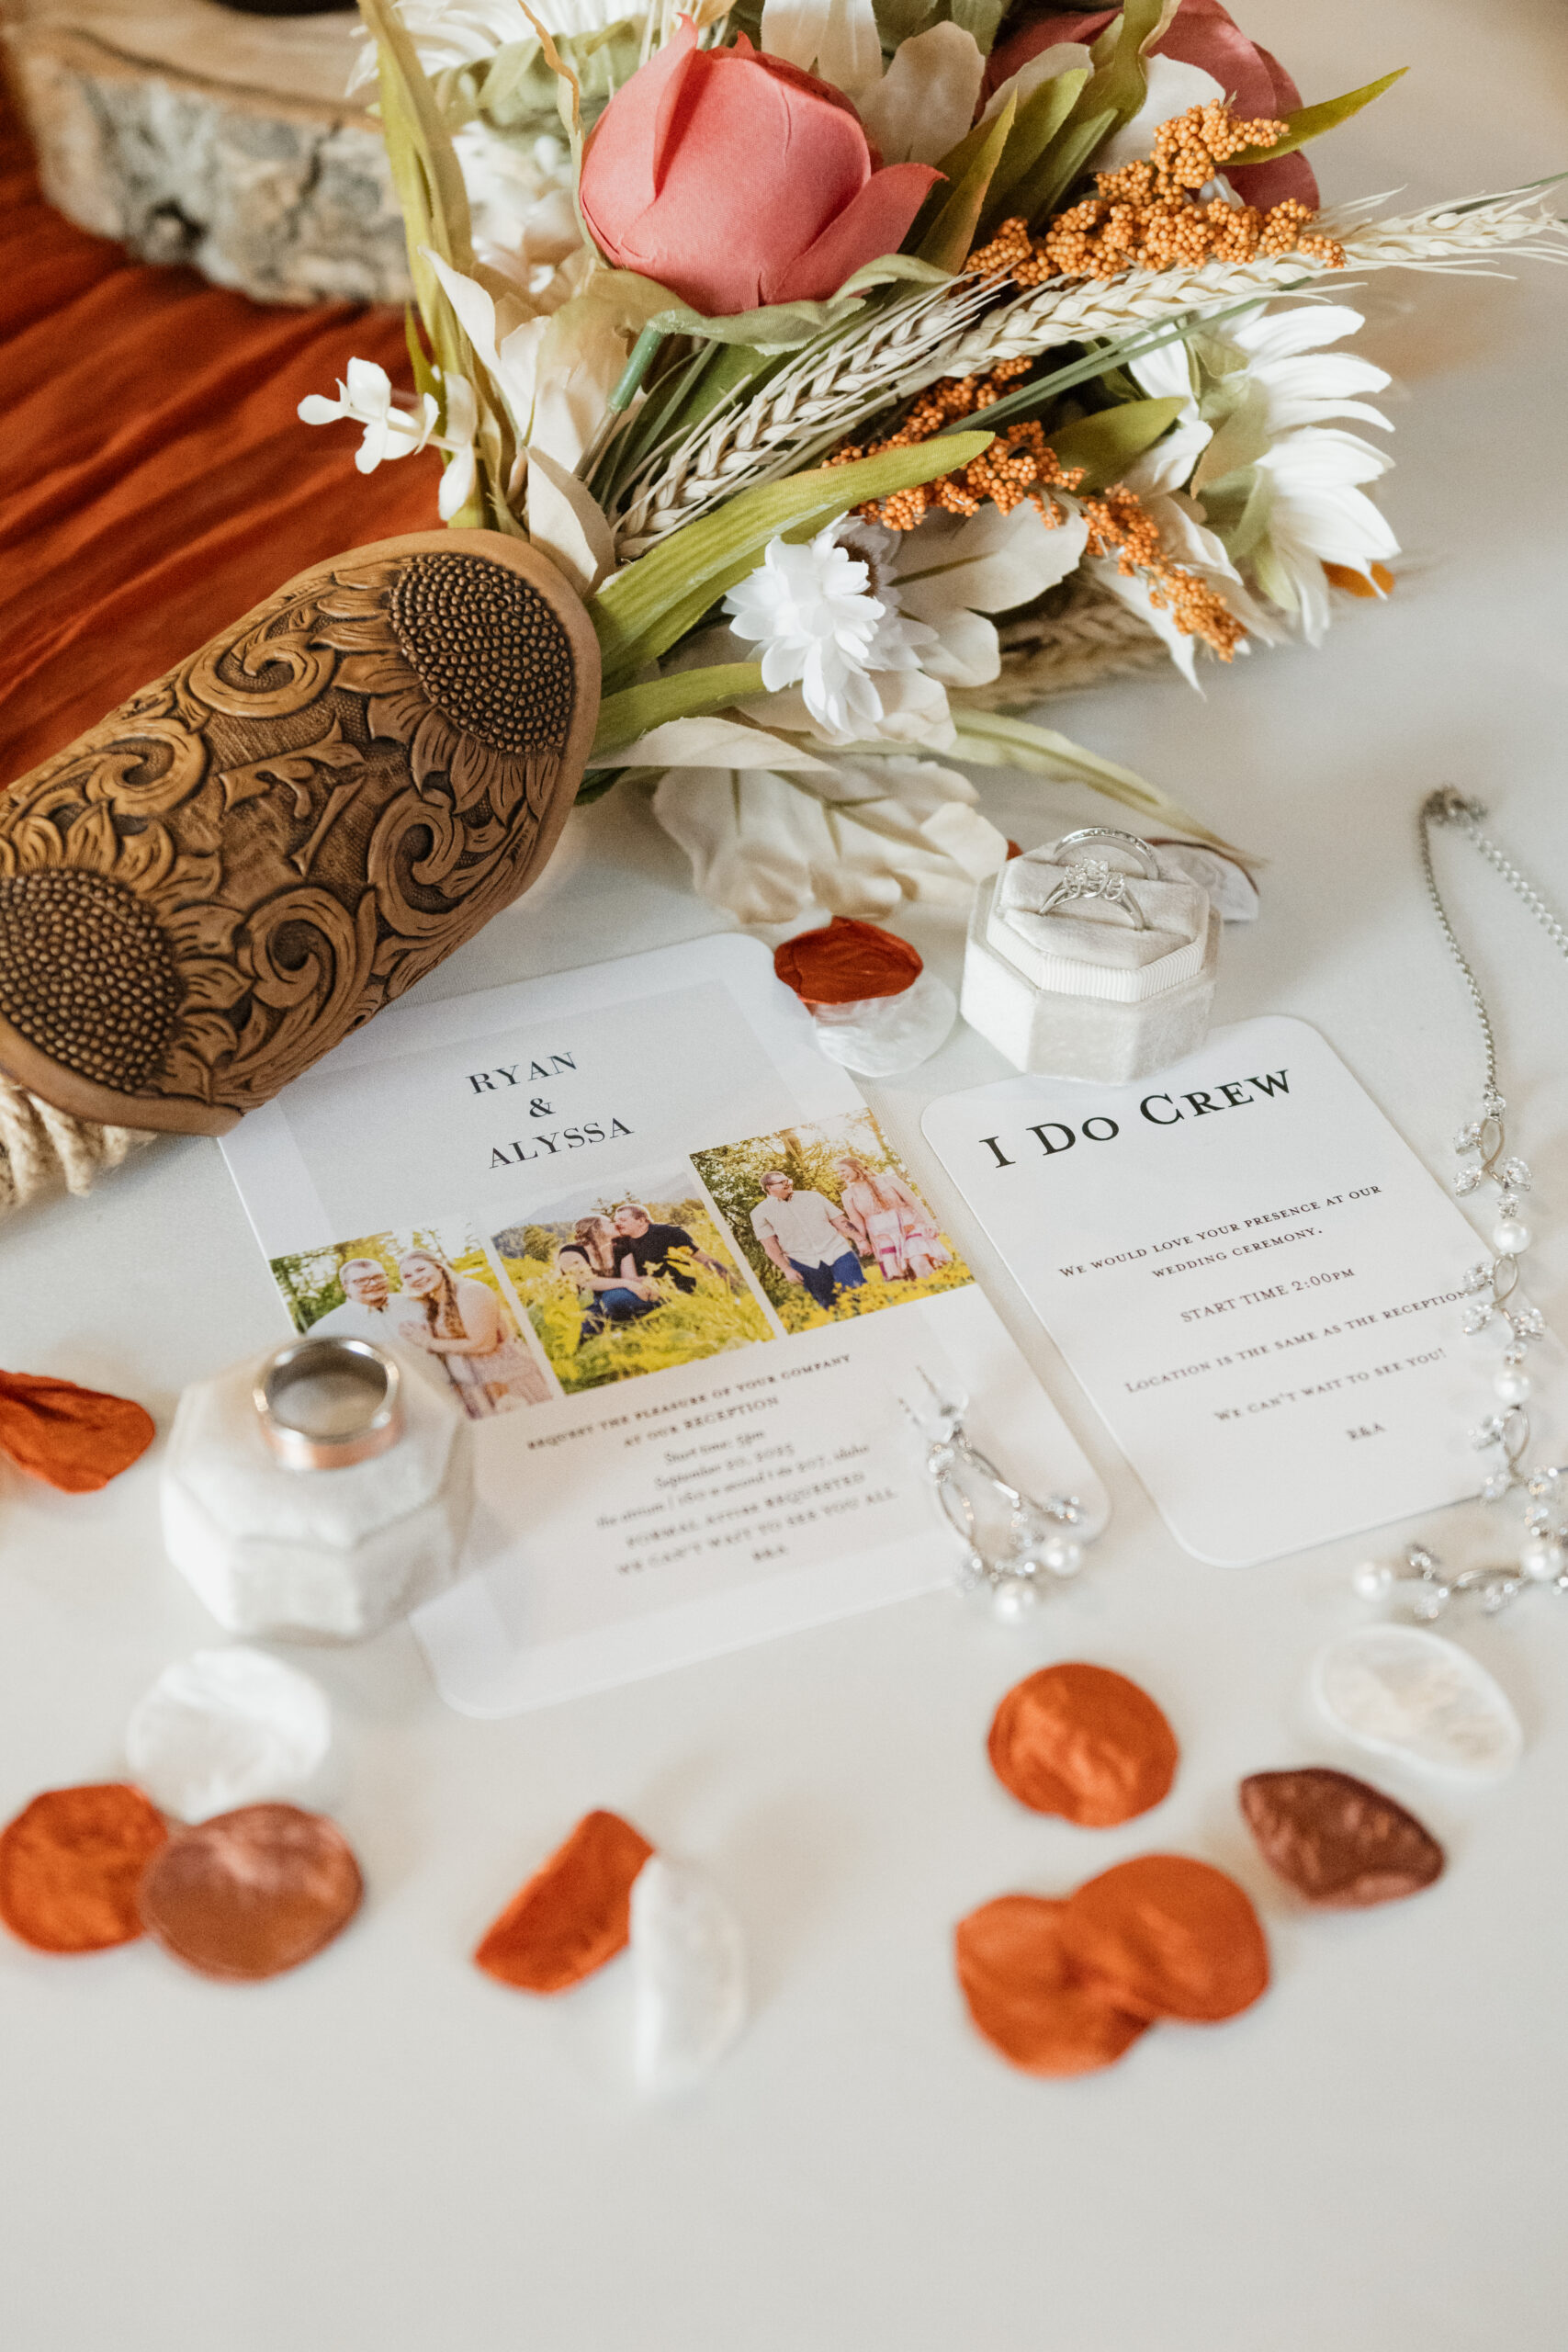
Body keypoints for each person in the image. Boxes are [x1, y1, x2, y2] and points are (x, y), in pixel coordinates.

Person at [394, 1247, 549, 1416]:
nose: (416, 1278)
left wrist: (428, 1342)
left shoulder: (470, 1291)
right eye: (407, 1276)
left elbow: (483, 1344)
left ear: (439, 1267)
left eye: (421, 1269)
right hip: (477, 1390)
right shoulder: (434, 1302)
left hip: (510, 1382)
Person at [749, 1170, 865, 1310]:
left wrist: (860, 1240)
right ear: (769, 1188)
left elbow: (839, 1220)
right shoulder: (759, 1213)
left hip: (838, 1251)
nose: (789, 1184)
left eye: (788, 1180)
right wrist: (786, 1269)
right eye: (782, 1182)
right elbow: (770, 1245)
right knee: (831, 1305)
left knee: (859, 1291)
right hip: (804, 1262)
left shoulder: (813, 1197)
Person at [834, 1154, 952, 1283]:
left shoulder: (889, 1181)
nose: (840, 1174)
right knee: (895, 1276)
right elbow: (857, 1221)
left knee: (918, 1262)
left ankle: (938, 1287)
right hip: (883, 1238)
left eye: (843, 1170)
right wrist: (861, 1242)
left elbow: (915, 1203)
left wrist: (930, 1223)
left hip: (910, 1228)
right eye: (838, 1172)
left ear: (856, 1167)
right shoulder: (848, 1195)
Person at [611, 1202, 733, 1295]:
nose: (618, 1224)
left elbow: (703, 1259)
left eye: (623, 1220)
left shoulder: (668, 1233)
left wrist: (732, 1283)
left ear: (641, 1221)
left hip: (681, 1289)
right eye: (616, 1221)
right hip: (648, 1291)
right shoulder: (622, 1243)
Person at [555, 1238, 660, 1344]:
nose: (614, 1224)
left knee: (614, 1300)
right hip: (583, 1300)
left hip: (609, 1297)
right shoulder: (571, 1251)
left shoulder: (619, 1247)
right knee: (586, 1334)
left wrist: (651, 1282)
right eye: (608, 1223)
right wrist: (626, 1283)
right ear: (596, 1229)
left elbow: (631, 1278)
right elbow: (586, 1282)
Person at [311, 1255, 403, 1345]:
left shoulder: (408, 1303)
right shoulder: (328, 1329)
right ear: (345, 1288)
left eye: (378, 1277)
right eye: (361, 1281)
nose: (373, 1284)